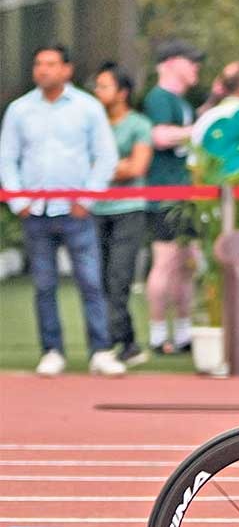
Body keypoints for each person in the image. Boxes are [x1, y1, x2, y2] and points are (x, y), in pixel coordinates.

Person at [0, 44, 124, 377]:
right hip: (36, 210)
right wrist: (17, 200)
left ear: (66, 70)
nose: (43, 70)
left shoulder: (87, 107)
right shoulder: (19, 110)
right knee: (43, 284)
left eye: (51, 64)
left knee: (90, 282)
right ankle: (52, 350)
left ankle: (100, 350)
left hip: (75, 211)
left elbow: (106, 155)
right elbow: (7, 157)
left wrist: (88, 198)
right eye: (39, 64)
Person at [142, 39, 203, 356]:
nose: (196, 67)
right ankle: (156, 333)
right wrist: (198, 130)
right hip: (165, 194)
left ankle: (182, 333)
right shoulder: (159, 98)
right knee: (164, 263)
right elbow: (159, 136)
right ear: (170, 62)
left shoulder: (183, 102)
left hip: (186, 195)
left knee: (185, 265)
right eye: (190, 60)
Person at [91, 62, 153, 367]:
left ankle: (120, 342)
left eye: (104, 86)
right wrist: (115, 168)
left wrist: (99, 170)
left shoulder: (139, 124)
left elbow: (137, 168)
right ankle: (120, 342)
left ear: (122, 92)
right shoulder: (92, 123)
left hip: (129, 210)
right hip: (95, 209)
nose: (98, 91)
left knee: (119, 278)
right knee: (99, 279)